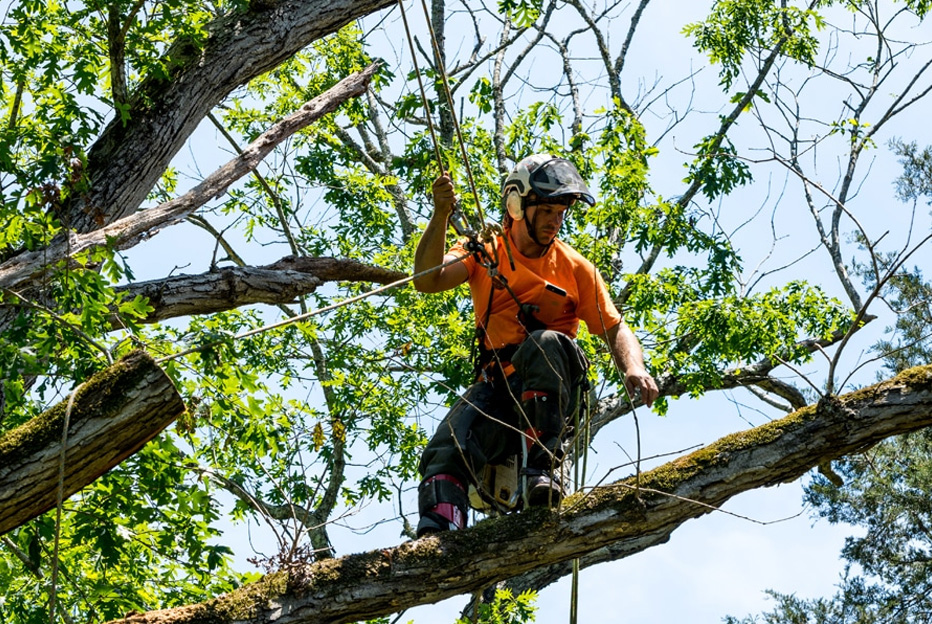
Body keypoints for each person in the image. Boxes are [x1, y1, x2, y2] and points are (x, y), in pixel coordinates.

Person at [412, 153, 658, 537]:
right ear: (516, 204)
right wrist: (441, 215)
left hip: (551, 395)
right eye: (546, 210)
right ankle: (440, 531)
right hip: (499, 388)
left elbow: (615, 328)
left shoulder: (576, 268)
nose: (555, 220)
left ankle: (543, 469)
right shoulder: (485, 249)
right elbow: (428, 280)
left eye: (560, 212)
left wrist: (634, 367)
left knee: (543, 343)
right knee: (448, 444)